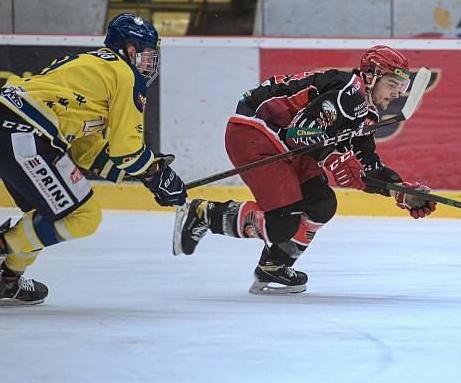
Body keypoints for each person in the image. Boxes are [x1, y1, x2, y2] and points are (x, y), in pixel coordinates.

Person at [173, 45, 437, 294]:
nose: (397, 94)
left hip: (286, 143)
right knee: (281, 226)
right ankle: (204, 213)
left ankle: (273, 266)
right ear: (371, 76)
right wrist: (333, 156)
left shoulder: (366, 112)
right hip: (254, 132)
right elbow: (301, 132)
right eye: (392, 84)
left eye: (402, 86)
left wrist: (399, 190)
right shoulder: (348, 92)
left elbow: (367, 165)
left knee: (321, 204)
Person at [0, 14, 187, 306]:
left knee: (44, 214)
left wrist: (141, 175)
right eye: (146, 53)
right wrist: (156, 174)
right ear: (130, 49)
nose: (149, 63)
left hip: (7, 131)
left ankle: (5, 278)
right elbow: (127, 151)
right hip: (26, 135)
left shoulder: (95, 68)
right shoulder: (125, 75)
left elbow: (89, 150)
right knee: (83, 216)